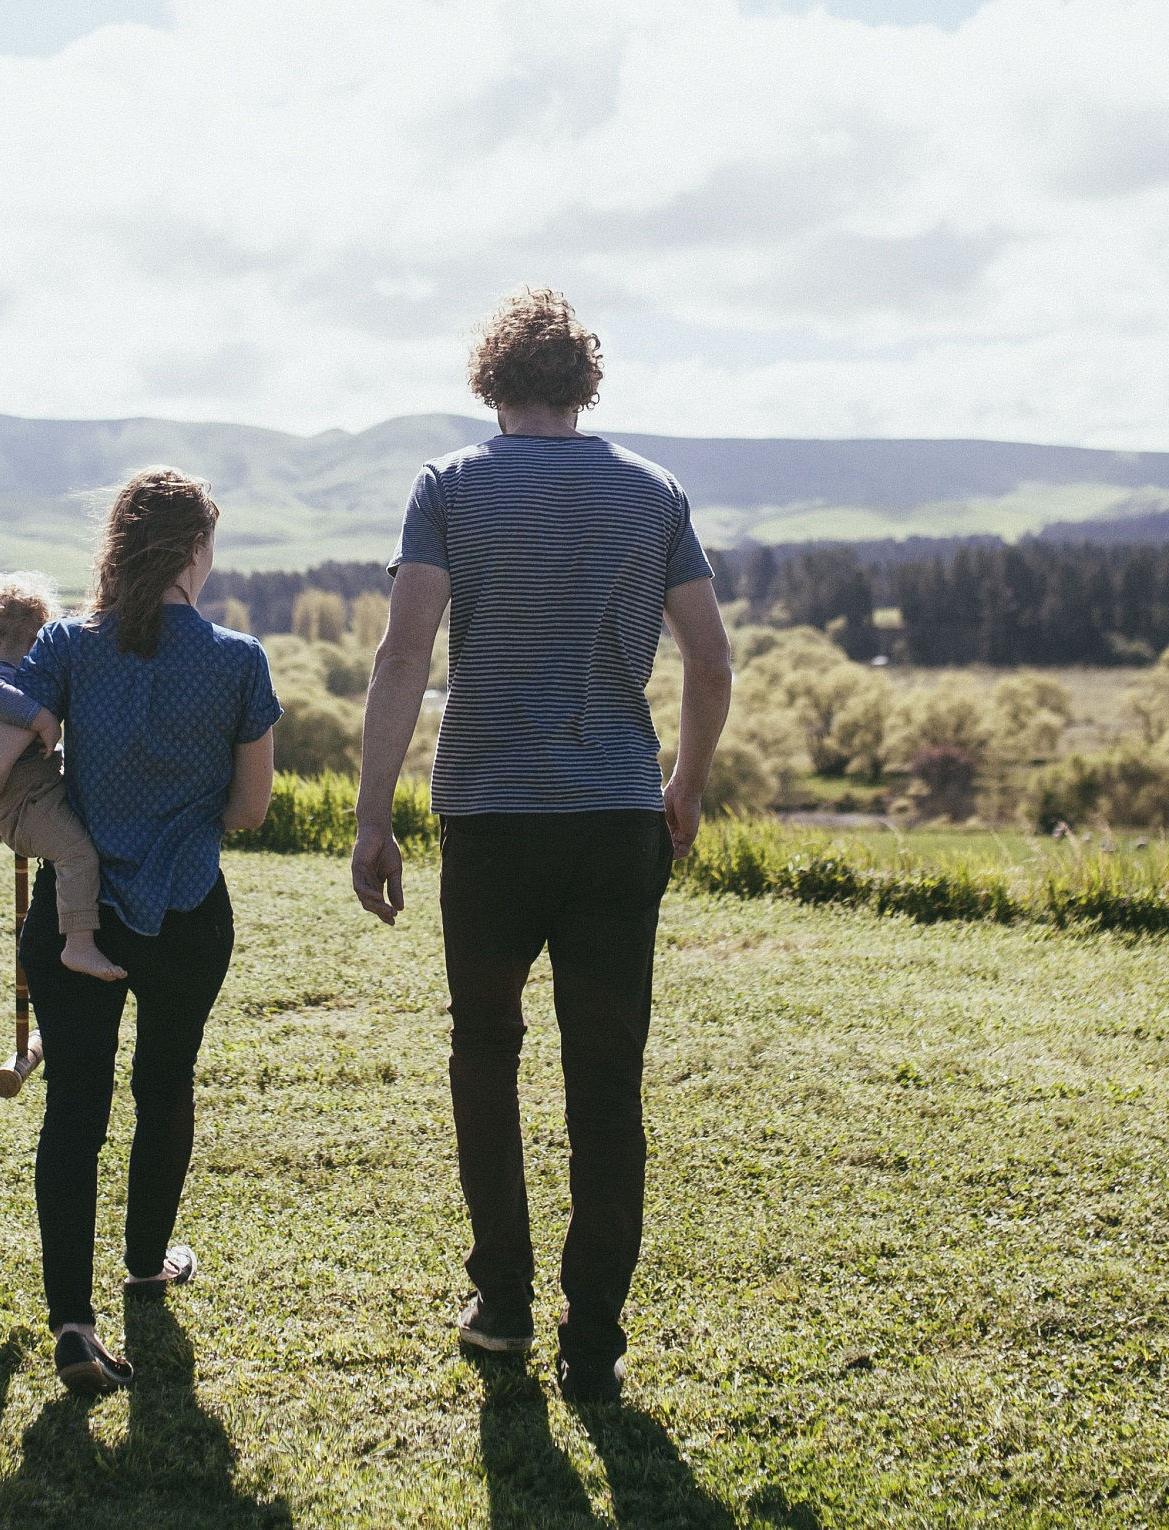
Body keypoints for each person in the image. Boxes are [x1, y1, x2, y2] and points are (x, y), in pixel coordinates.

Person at [351, 289, 733, 1405]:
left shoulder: (449, 486)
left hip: (490, 818)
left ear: (491, 382)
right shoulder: (650, 491)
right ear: (584, 384)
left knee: (486, 1051)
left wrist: (373, 817)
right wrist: (685, 785)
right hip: (618, 817)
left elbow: (401, 658)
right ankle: (598, 1343)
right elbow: (709, 662)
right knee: (606, 1079)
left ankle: (505, 1303)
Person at [0, 467, 282, 1397]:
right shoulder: (239, 660)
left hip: (78, 911)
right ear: (196, 551)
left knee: (74, 1113)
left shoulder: (66, 646)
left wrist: (56, 796)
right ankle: (147, 1263)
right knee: (164, 1083)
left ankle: (72, 1321)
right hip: (188, 911)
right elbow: (253, 809)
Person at [0, 572, 125, 982]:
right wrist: (42, 718)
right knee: (78, 853)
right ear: (34, 647)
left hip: (15, 803)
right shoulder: (0, 679)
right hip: (27, 802)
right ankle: (79, 946)